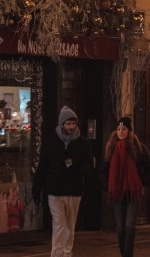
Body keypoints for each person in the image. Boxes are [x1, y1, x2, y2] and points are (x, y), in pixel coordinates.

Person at [33, 105, 95, 257]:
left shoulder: (83, 143)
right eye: (68, 124)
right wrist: (37, 187)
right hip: (55, 189)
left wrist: (75, 166)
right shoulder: (51, 142)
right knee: (59, 222)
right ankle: (56, 252)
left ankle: (67, 252)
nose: (71, 127)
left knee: (70, 224)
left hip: (74, 190)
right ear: (61, 124)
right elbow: (43, 166)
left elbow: (89, 166)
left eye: (73, 124)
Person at [100, 116, 150, 257]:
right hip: (116, 192)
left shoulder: (138, 148)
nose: (121, 132)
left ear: (129, 131)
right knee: (120, 228)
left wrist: (141, 182)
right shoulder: (110, 148)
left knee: (130, 227)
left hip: (133, 192)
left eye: (124, 129)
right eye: (118, 129)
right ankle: (124, 253)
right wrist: (107, 185)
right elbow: (103, 170)